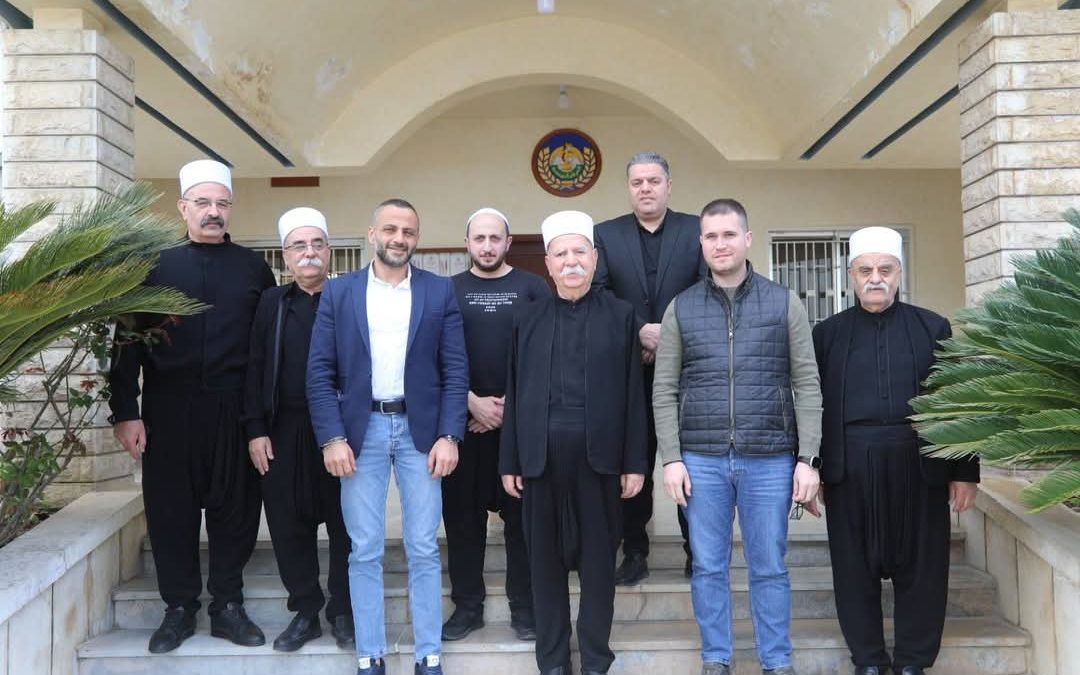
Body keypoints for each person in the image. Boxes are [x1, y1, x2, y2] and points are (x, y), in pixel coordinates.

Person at [109, 159, 275, 653]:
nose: (213, 212)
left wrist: (262, 419)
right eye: (203, 203)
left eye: (222, 203)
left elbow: (268, 348)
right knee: (171, 512)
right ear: (183, 207)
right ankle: (179, 608)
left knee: (236, 511)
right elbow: (126, 342)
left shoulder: (253, 268)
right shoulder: (153, 267)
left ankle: (227, 606)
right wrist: (126, 411)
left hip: (235, 408)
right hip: (168, 408)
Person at [652, 198, 822, 675]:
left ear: (747, 239)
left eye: (729, 234)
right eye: (711, 236)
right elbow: (664, 389)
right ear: (701, 243)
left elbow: (807, 383)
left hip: (769, 458)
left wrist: (808, 458)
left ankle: (776, 662)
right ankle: (716, 659)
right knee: (708, 567)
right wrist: (671, 458)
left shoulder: (783, 302)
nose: (720, 244)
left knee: (769, 566)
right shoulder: (681, 307)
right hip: (701, 459)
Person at [306, 198, 468, 675]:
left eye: (409, 232)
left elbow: (455, 370)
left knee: (423, 546)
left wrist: (450, 435)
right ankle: (370, 655)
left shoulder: (439, 291)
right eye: (391, 229)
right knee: (364, 549)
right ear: (372, 233)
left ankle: (428, 656)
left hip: (422, 432)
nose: (400, 238)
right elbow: (319, 371)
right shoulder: (340, 293)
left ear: (416, 238)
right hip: (362, 431)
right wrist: (331, 438)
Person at [811, 227, 979, 675]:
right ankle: (868, 660)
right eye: (865, 270)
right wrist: (814, 468)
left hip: (920, 463)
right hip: (849, 465)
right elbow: (811, 404)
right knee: (853, 568)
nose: (875, 278)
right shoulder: (827, 334)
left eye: (885, 269)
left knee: (924, 567)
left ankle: (912, 662)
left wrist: (965, 471)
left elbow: (958, 399)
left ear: (899, 273)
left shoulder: (933, 327)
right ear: (850, 275)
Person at [500, 210, 647, 675]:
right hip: (539, 460)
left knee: (599, 567)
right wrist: (510, 460)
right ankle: (553, 662)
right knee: (544, 568)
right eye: (561, 253)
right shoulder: (526, 318)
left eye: (579, 252)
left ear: (594, 258)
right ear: (548, 263)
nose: (571, 261)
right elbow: (514, 391)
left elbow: (633, 394)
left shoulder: (621, 316)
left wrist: (635, 461)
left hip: (600, 460)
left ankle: (596, 660)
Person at [243, 207, 354, 652]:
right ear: (285, 256)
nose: (309, 253)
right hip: (283, 430)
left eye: (317, 244)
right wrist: (255, 429)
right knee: (288, 525)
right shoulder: (272, 303)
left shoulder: (350, 298)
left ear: (329, 251)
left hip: (342, 432)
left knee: (347, 524)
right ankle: (306, 611)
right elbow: (255, 366)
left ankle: (344, 610)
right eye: (298, 246)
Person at [592, 152, 704, 583]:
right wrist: (638, 330)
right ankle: (635, 552)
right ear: (628, 188)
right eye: (637, 182)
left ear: (668, 186)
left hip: (688, 375)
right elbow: (599, 292)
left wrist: (667, 336)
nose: (645, 188)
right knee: (633, 461)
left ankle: (697, 552)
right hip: (629, 371)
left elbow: (706, 289)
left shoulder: (695, 230)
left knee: (690, 463)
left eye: (653, 181)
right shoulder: (606, 234)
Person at [441, 208, 549, 642]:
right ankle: (467, 607)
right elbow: (432, 356)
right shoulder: (447, 291)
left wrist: (508, 409)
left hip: (519, 429)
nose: (487, 246)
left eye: (495, 238)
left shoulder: (534, 288)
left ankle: (525, 608)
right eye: (479, 238)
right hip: (463, 427)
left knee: (523, 524)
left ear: (508, 242)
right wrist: (471, 402)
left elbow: (546, 355)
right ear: (467, 243)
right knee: (462, 524)